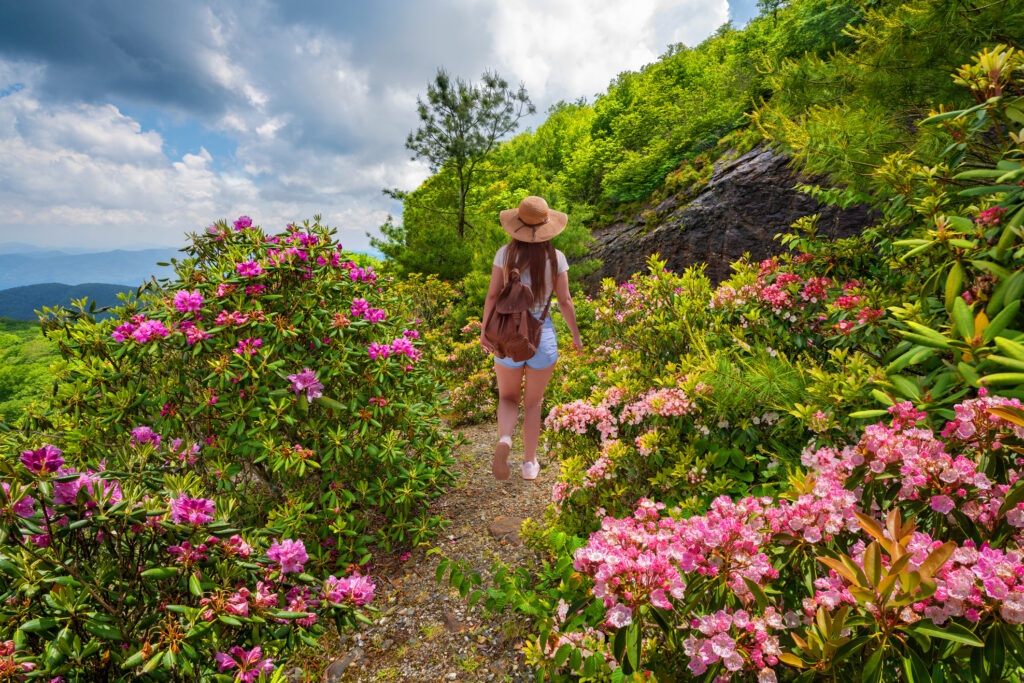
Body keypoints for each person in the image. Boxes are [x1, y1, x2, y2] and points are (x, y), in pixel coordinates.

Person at [480, 196, 583, 481]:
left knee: (508, 397)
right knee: (533, 403)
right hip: (542, 336)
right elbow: (564, 301)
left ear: (518, 225)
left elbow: (491, 295)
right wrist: (576, 335)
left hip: (507, 337)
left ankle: (504, 439)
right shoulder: (556, 258)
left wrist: (483, 329)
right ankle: (528, 464)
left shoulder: (505, 254)